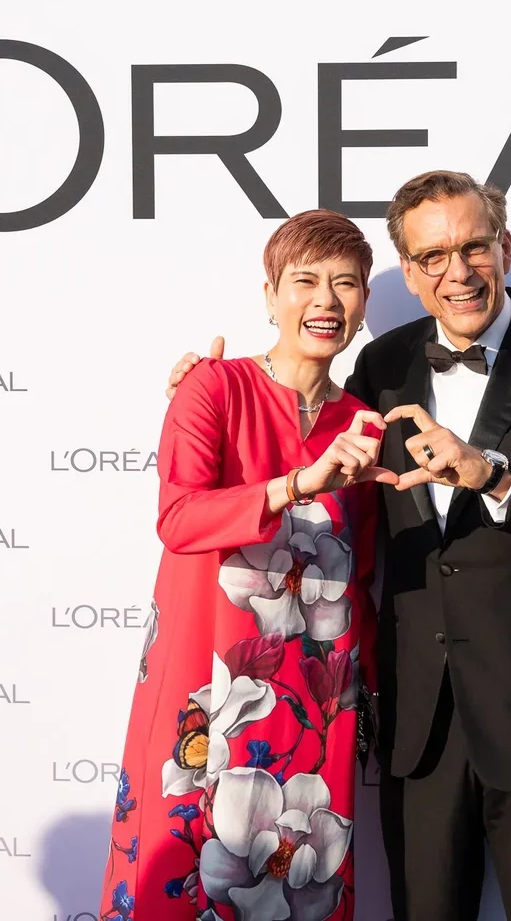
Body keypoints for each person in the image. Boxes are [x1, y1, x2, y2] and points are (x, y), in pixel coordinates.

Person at [165, 170, 511, 921]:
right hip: (418, 722)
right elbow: (292, 423)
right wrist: (202, 383)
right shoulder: (380, 370)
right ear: (408, 275)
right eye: (432, 257)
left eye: (474, 247)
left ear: (503, 248)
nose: (458, 272)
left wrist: (493, 471)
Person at [100, 209, 395, 921]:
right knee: (180, 880)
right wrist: (295, 484)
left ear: (362, 308)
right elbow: (179, 519)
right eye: (305, 281)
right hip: (206, 689)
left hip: (313, 704)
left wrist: (372, 696)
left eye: (346, 285)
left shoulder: (364, 422)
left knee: (298, 885)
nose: (325, 300)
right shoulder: (213, 388)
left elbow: (359, 578)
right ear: (270, 295)